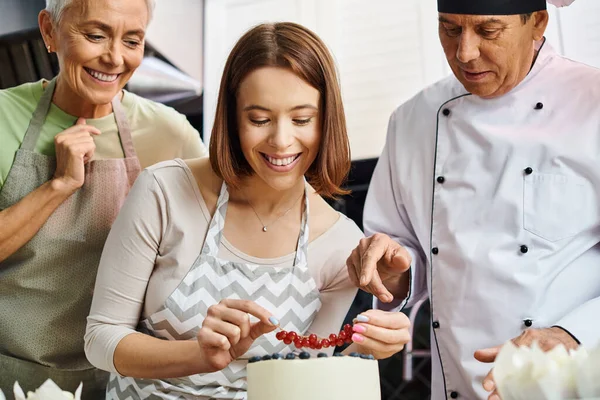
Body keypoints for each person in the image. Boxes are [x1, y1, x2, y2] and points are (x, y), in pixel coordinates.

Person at [85, 22, 411, 399]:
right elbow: (101, 337)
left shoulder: (339, 242)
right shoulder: (165, 191)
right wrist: (199, 355)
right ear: (232, 119)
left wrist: (368, 349)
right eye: (259, 120)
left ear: (326, 121)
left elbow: (306, 380)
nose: (282, 141)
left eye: (302, 119)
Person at [345, 0, 600, 399]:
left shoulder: (593, 102)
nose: (464, 52)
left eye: (488, 31)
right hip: (461, 385)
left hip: (575, 380)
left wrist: (572, 335)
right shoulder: (413, 121)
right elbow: (402, 254)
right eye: (449, 29)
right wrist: (392, 269)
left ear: (537, 22)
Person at [0, 0, 207, 397]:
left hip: (124, 380)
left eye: (132, 40)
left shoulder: (170, 134)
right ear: (49, 31)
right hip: (9, 375)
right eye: (95, 35)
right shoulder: (4, 117)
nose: (114, 58)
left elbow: (234, 224)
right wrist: (57, 186)